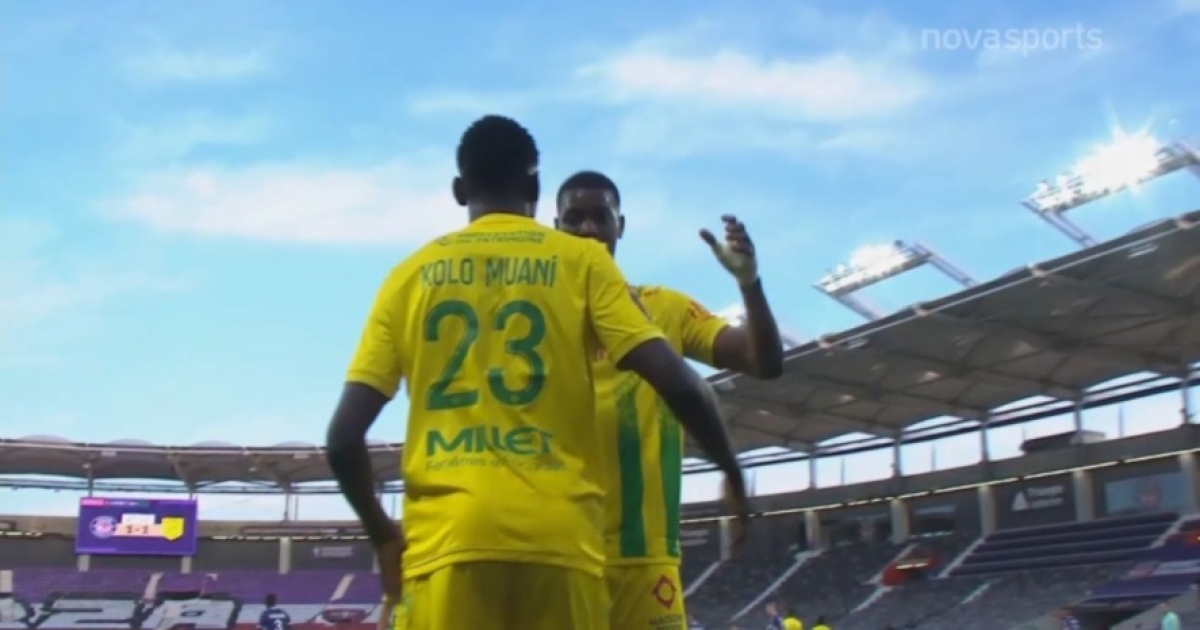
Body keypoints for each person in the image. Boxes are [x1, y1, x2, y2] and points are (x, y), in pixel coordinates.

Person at [325, 115, 748, 630]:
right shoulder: (583, 262)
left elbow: (343, 439)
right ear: (534, 187)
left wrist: (383, 535)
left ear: (459, 191)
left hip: (445, 544)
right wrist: (731, 471)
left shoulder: (407, 278)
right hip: (561, 541)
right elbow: (678, 382)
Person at [555, 171, 784, 630]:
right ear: (556, 228)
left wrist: (749, 282)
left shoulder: (666, 308)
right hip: (558, 556)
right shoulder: (537, 316)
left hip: (645, 561)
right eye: (574, 219)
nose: (588, 229)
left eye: (601, 217)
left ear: (620, 226)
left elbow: (764, 361)